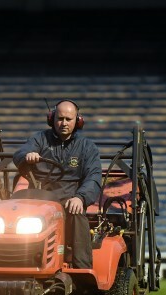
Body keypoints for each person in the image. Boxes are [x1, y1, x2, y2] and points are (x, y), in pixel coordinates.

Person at [13, 99, 102, 269]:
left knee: (76, 213)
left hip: (69, 200)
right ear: (52, 119)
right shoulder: (39, 139)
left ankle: (82, 268)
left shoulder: (87, 147)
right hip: (39, 199)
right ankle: (17, 262)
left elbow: (94, 176)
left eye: (68, 119)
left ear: (78, 121)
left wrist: (80, 198)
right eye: (60, 118)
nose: (63, 123)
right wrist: (27, 155)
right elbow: (20, 153)